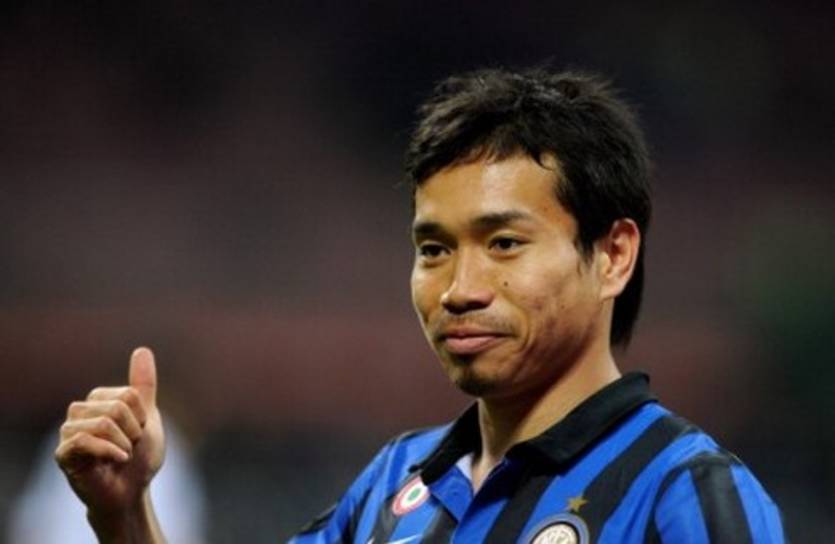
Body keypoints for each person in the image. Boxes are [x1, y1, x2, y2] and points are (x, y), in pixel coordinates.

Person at [55, 67, 786, 543]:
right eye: (433, 249)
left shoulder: (683, 493)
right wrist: (123, 514)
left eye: (504, 243)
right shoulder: (393, 484)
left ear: (613, 255)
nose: (459, 289)